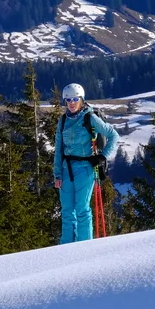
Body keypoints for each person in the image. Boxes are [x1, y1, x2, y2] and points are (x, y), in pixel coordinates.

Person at [54, 83, 118, 244]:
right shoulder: (63, 121)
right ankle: (66, 247)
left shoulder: (90, 117)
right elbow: (58, 149)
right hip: (66, 169)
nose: (72, 103)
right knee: (67, 211)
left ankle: (84, 247)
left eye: (75, 99)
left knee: (82, 210)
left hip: (85, 169)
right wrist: (57, 174)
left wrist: (103, 157)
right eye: (68, 99)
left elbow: (113, 135)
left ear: (81, 99)